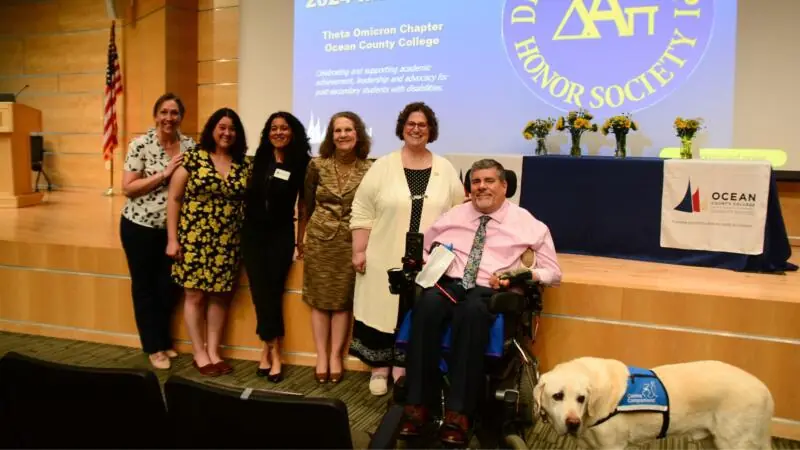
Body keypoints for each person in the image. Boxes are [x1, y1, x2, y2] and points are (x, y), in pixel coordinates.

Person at [399, 158, 562, 446]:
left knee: (472, 312)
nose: (481, 187)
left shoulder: (528, 223)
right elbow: (424, 248)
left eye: (489, 181)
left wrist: (521, 274)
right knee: (426, 305)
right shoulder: (454, 216)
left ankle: (459, 413)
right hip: (451, 283)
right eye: (476, 182)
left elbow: (554, 274)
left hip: (491, 288)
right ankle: (417, 405)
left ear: (504, 186)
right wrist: (432, 263)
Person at [349, 102, 466, 396]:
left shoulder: (445, 168)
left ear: (431, 131)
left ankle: (404, 367)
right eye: (411, 124)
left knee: (416, 310)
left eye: (422, 125)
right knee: (382, 307)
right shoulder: (382, 166)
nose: (416, 129)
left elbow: (458, 212)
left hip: (430, 259)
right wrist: (359, 250)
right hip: (384, 253)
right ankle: (379, 368)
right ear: (402, 127)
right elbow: (362, 209)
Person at [166, 107, 252, 377]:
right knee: (194, 295)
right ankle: (199, 353)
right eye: (222, 127)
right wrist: (172, 239)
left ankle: (214, 351)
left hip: (228, 240)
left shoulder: (244, 163)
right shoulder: (193, 159)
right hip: (194, 238)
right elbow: (175, 199)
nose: (227, 133)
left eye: (232, 129)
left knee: (220, 296)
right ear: (212, 129)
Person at [119, 93, 195, 370]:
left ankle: (163, 339)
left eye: (174, 113)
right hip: (139, 227)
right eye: (164, 112)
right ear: (156, 115)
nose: (169, 118)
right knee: (144, 288)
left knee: (169, 287)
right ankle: (153, 347)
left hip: (174, 230)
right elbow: (128, 187)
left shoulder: (189, 146)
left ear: (180, 117)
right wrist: (164, 174)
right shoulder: (140, 145)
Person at [301, 111, 373, 385]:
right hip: (320, 239)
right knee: (319, 300)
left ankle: (335, 356)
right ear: (331, 136)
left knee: (343, 301)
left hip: (351, 243)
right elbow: (306, 203)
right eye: (338, 131)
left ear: (358, 134)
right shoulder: (317, 165)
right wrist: (302, 239)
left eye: (348, 130)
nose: (343, 135)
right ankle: (321, 356)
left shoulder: (370, 168)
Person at [243, 111, 312, 383]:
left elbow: (304, 206)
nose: (279, 132)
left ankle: (269, 349)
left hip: (281, 234)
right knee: (261, 293)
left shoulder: (301, 163)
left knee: (273, 291)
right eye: (274, 128)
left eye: (284, 128)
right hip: (252, 234)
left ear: (293, 132)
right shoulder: (256, 159)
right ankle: (273, 350)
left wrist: (299, 239)